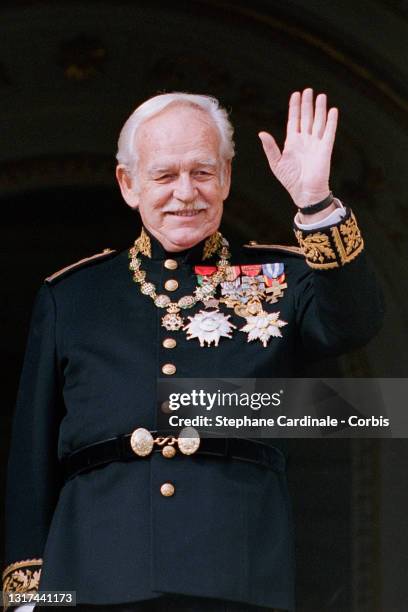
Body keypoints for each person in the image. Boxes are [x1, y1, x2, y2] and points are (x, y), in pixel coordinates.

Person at [2, 89, 384, 612]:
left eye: (203, 173)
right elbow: (32, 456)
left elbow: (356, 322)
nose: (186, 192)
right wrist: (29, 597)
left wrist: (315, 202)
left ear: (227, 177)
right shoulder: (72, 296)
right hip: (89, 578)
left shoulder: (285, 276)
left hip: (236, 574)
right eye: (164, 175)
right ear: (128, 184)